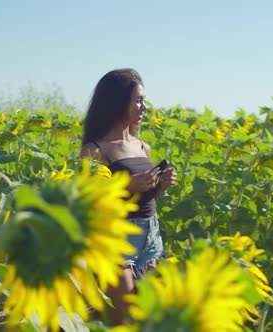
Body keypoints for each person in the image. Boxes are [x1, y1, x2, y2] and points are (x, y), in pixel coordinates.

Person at [79, 68, 177, 325]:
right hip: (117, 238)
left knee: (148, 318)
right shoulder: (95, 151)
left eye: (143, 100)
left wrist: (160, 186)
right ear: (117, 102)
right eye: (138, 100)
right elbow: (89, 202)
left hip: (151, 237)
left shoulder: (142, 146)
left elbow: (144, 199)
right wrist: (126, 185)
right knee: (120, 320)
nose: (144, 106)